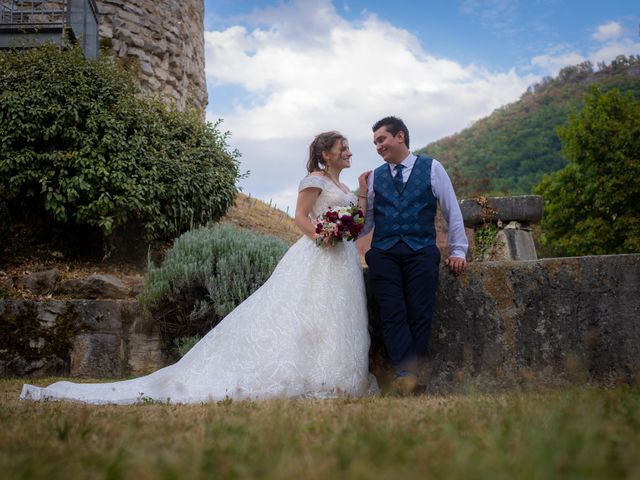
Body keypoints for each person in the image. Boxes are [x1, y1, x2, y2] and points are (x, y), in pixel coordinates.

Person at [20, 131, 375, 404]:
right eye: (342, 147)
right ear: (326, 153)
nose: (348, 151)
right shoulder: (313, 180)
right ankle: (296, 376)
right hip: (317, 253)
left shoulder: (342, 184)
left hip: (341, 259)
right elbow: (300, 216)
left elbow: (356, 220)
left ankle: (331, 377)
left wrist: (359, 191)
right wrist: (322, 237)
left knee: (332, 318)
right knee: (300, 315)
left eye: (347, 147)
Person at [362, 116, 468, 394]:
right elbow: (367, 223)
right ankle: (406, 375)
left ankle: (411, 374)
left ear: (400, 137)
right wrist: (342, 226)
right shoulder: (374, 178)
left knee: (420, 313)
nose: (378, 147)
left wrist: (458, 250)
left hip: (421, 251)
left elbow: (451, 211)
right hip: (383, 253)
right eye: (375, 143)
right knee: (392, 313)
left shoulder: (432, 168)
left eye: (381, 139)